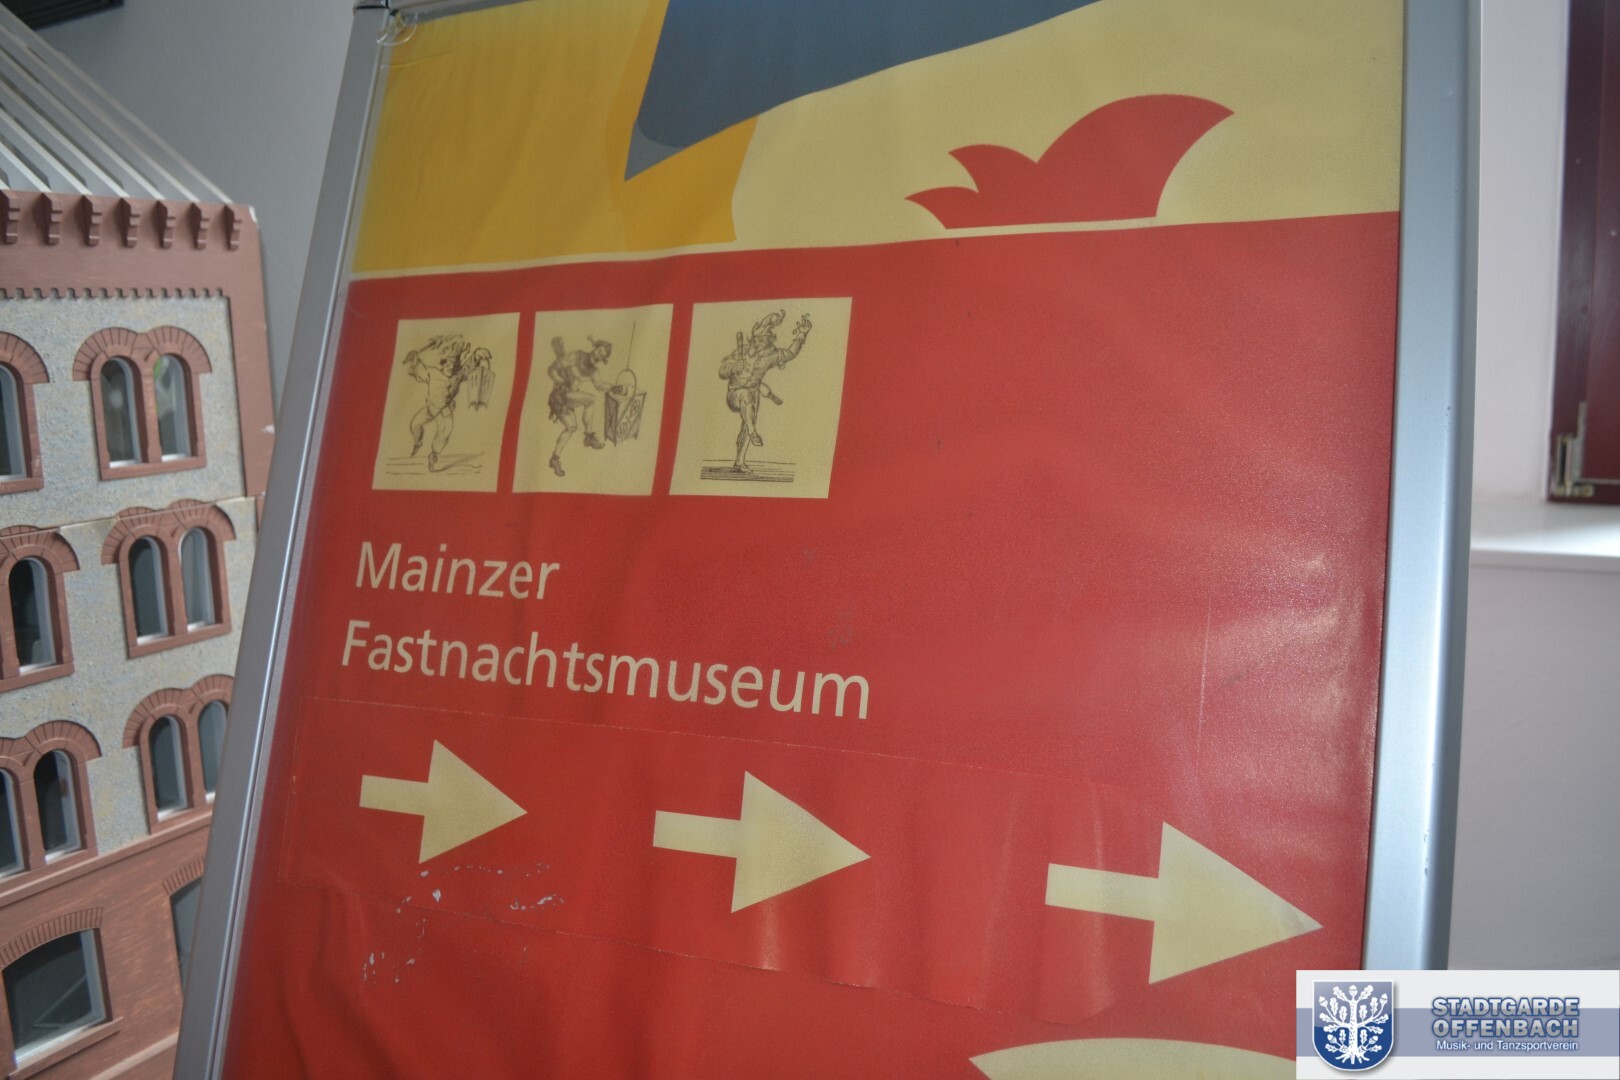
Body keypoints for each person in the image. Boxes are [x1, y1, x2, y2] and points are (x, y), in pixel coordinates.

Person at [720, 310, 811, 472]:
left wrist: (802, 335)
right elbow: (722, 370)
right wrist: (734, 367)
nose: (760, 344)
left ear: (769, 342)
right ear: (754, 340)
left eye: (764, 341)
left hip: (753, 393)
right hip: (734, 394)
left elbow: (790, 353)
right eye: (758, 340)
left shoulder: (771, 356)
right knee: (746, 398)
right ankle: (752, 430)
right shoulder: (741, 351)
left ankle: (739, 462)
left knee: (748, 418)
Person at [404, 335, 488, 471]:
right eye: (447, 365)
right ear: (442, 365)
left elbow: (469, 366)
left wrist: (477, 355)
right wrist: (414, 360)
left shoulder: (458, 375)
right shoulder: (431, 373)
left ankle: (433, 456)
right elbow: (419, 368)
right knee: (415, 424)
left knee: (445, 431)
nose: (450, 367)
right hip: (431, 407)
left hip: (445, 411)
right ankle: (417, 443)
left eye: (453, 366)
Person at [547, 336, 624, 477]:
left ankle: (554, 459)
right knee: (590, 399)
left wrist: (614, 388)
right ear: (595, 348)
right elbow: (552, 369)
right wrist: (561, 381)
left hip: (568, 400)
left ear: (603, 359)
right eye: (599, 351)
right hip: (558, 396)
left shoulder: (593, 371)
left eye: (602, 355)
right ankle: (588, 436)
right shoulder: (577, 355)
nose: (598, 356)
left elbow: (600, 385)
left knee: (571, 428)